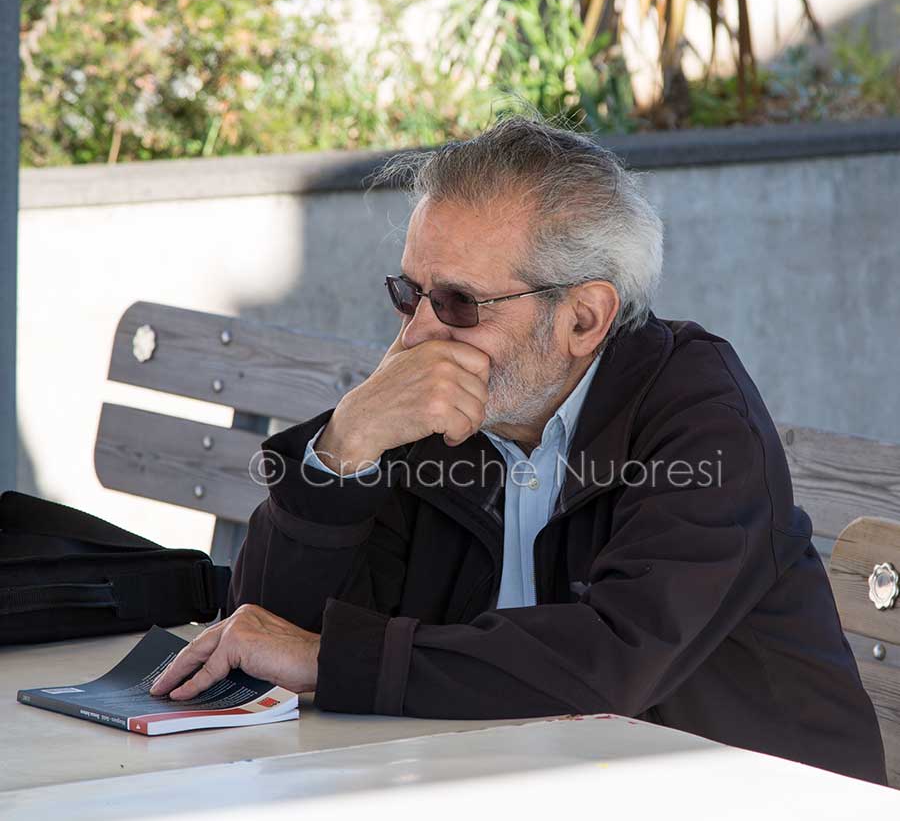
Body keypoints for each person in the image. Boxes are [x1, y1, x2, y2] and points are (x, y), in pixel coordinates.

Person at [151, 116, 886, 785]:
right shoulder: (435, 409)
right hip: (504, 777)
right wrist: (343, 449)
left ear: (584, 318)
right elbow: (268, 632)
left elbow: (613, 660)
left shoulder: (701, 417)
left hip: (740, 791)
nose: (416, 334)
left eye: (458, 303)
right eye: (409, 293)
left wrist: (328, 659)